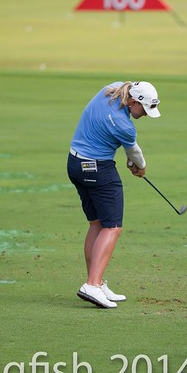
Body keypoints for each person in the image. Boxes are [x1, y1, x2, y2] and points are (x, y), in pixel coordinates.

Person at [67, 81, 161, 309]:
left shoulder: (111, 89)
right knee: (113, 227)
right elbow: (134, 153)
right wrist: (140, 166)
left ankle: (96, 283)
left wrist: (132, 161)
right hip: (98, 169)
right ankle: (92, 284)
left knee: (97, 224)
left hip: (75, 164)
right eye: (145, 109)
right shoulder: (125, 126)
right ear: (133, 101)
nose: (146, 115)